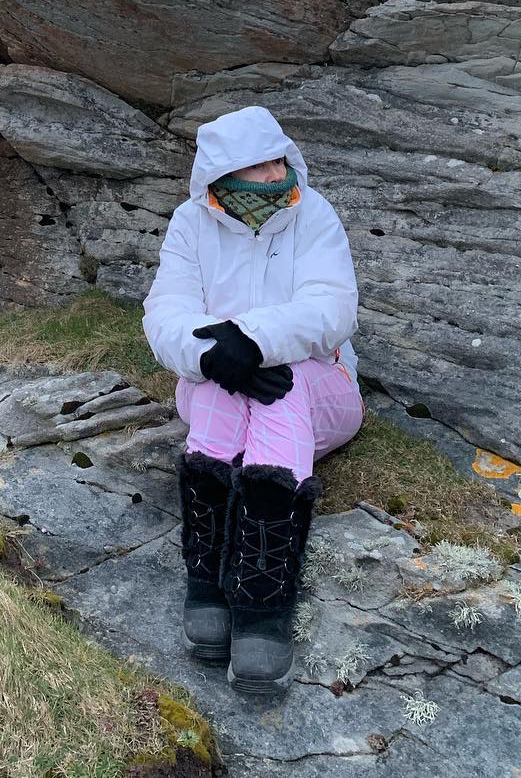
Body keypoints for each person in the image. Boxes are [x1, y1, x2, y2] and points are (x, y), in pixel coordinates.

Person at [142, 104, 364, 696]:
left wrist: (253, 340)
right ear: (220, 177)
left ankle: (263, 602)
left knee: (280, 393)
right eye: (256, 164)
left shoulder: (312, 214)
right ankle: (208, 580)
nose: (274, 174)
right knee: (218, 389)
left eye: (278, 158)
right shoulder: (190, 224)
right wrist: (212, 355)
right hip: (214, 390)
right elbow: (165, 311)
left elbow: (333, 308)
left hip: (323, 392)